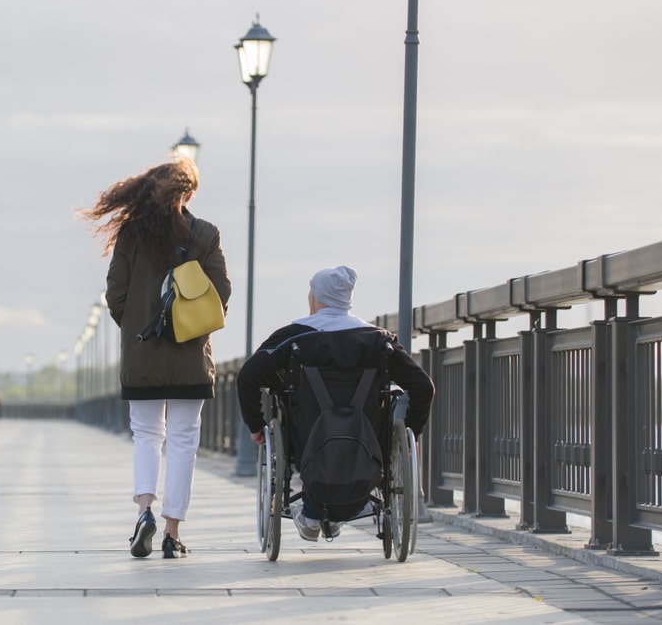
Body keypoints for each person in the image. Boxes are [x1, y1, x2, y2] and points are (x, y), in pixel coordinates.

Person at [81, 158, 232, 559]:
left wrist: (136, 330)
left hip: (143, 355)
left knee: (147, 436)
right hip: (189, 358)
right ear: (189, 194)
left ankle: (144, 510)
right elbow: (221, 294)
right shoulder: (206, 234)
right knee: (183, 442)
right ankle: (172, 530)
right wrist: (187, 325)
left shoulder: (132, 235)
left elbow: (116, 295)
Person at [237, 265, 434, 542]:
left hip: (305, 441)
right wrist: (411, 435)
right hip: (368, 442)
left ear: (315, 299)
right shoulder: (378, 341)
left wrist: (256, 425)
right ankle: (353, 500)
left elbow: (247, 376)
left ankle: (313, 513)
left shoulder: (294, 337)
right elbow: (423, 386)